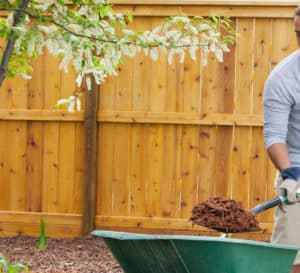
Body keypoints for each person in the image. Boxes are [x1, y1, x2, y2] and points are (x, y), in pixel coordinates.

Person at [263, 6, 300, 273]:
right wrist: (289, 174)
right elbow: (274, 136)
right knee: (290, 262)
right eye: (299, 34)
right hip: (297, 177)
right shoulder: (284, 78)